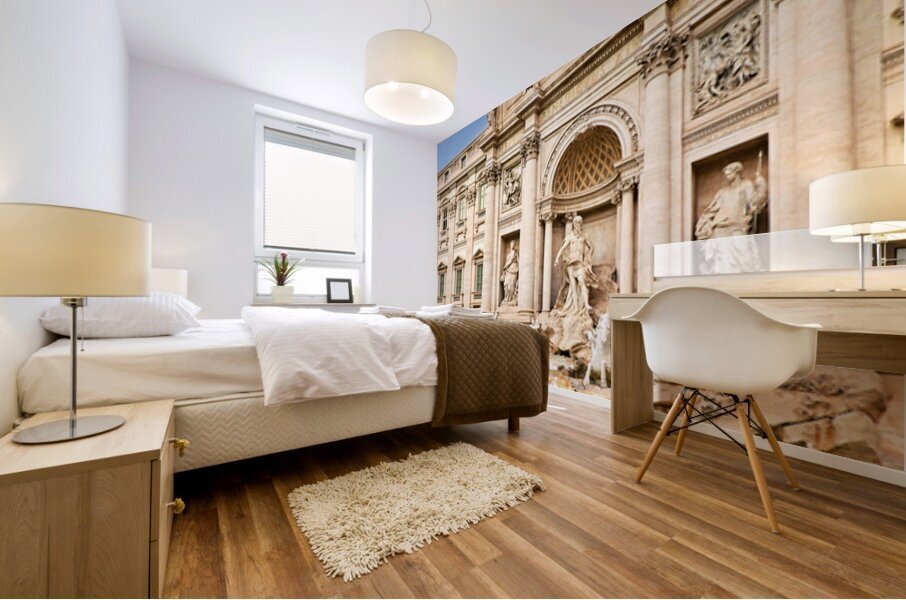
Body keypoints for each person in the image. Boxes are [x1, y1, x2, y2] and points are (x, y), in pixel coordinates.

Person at [694, 155, 767, 274]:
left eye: (729, 172)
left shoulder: (746, 185)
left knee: (744, 254)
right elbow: (711, 210)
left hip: (738, 225)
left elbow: (754, 202)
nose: (727, 175)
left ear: (737, 172)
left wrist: (762, 185)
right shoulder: (722, 192)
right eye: (726, 173)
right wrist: (704, 223)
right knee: (722, 259)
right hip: (720, 226)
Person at [554, 215, 598, 313]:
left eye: (580, 222)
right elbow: (563, 248)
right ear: (574, 224)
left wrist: (588, 256)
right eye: (577, 222)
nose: (579, 224)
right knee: (573, 285)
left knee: (582, 282)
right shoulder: (569, 237)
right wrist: (557, 259)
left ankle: (586, 304)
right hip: (571, 263)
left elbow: (591, 247)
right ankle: (575, 308)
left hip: (580, 263)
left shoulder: (584, 236)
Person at [500, 241, 519, 305]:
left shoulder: (514, 252)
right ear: (510, 245)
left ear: (514, 245)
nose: (512, 245)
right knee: (506, 284)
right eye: (511, 244)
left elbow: (510, 260)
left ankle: (511, 298)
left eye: (513, 244)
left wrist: (505, 266)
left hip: (513, 268)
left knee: (512, 284)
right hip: (509, 269)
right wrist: (506, 267)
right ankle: (507, 298)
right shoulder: (510, 253)